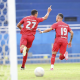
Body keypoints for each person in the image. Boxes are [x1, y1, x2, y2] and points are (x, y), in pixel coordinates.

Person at [17, 5, 52, 70]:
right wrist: (48, 11)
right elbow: (45, 18)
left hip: (24, 35)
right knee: (26, 51)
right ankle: (23, 66)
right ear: (35, 14)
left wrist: (22, 29)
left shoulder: (25, 18)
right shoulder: (37, 19)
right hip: (31, 37)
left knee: (22, 50)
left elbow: (18, 25)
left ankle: (23, 49)